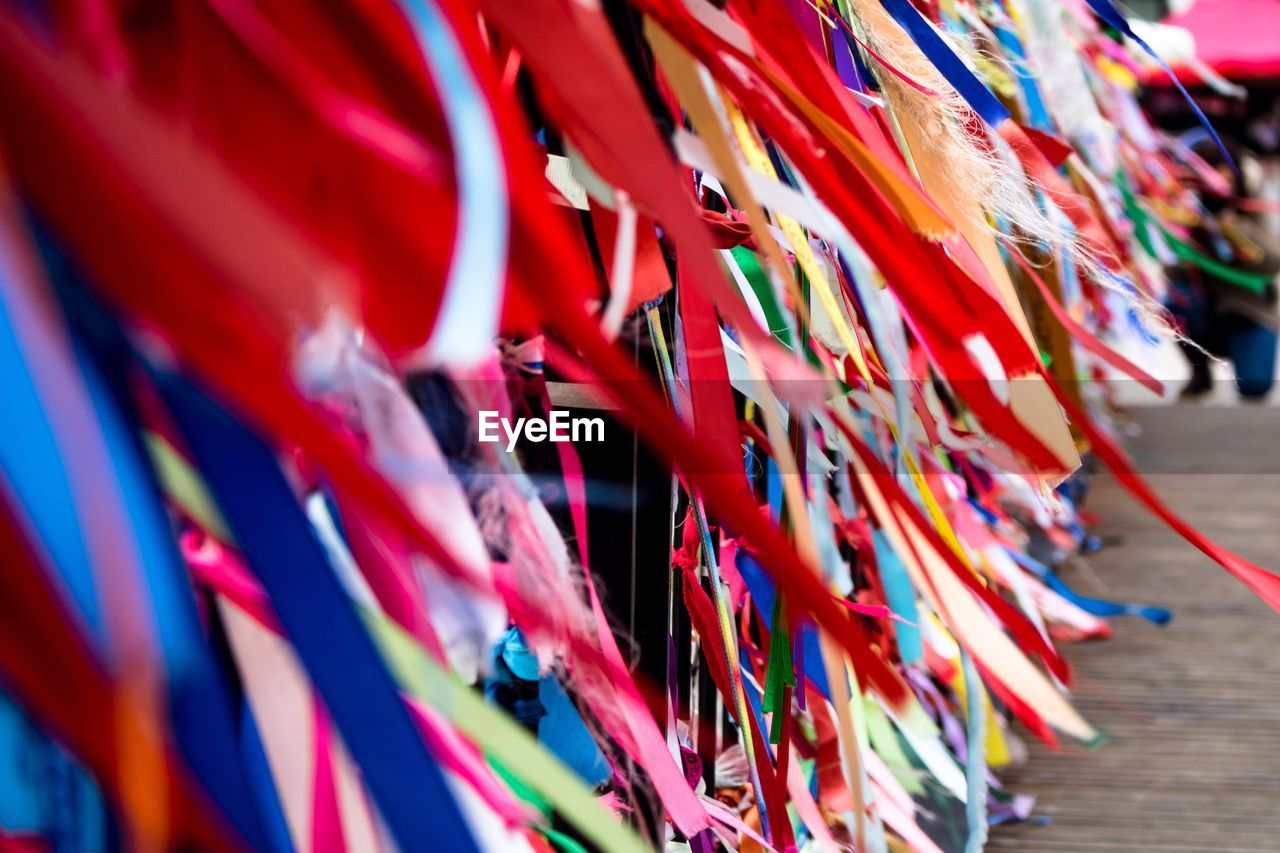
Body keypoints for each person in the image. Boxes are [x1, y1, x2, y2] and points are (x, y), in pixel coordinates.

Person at [1167, 140, 1280, 400]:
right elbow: (1171, 269)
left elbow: (1272, 261)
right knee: (1175, 300)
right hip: (1204, 307)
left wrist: (1230, 225)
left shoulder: (1253, 204)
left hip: (1248, 309)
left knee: (1255, 387)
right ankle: (1199, 372)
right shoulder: (1183, 209)